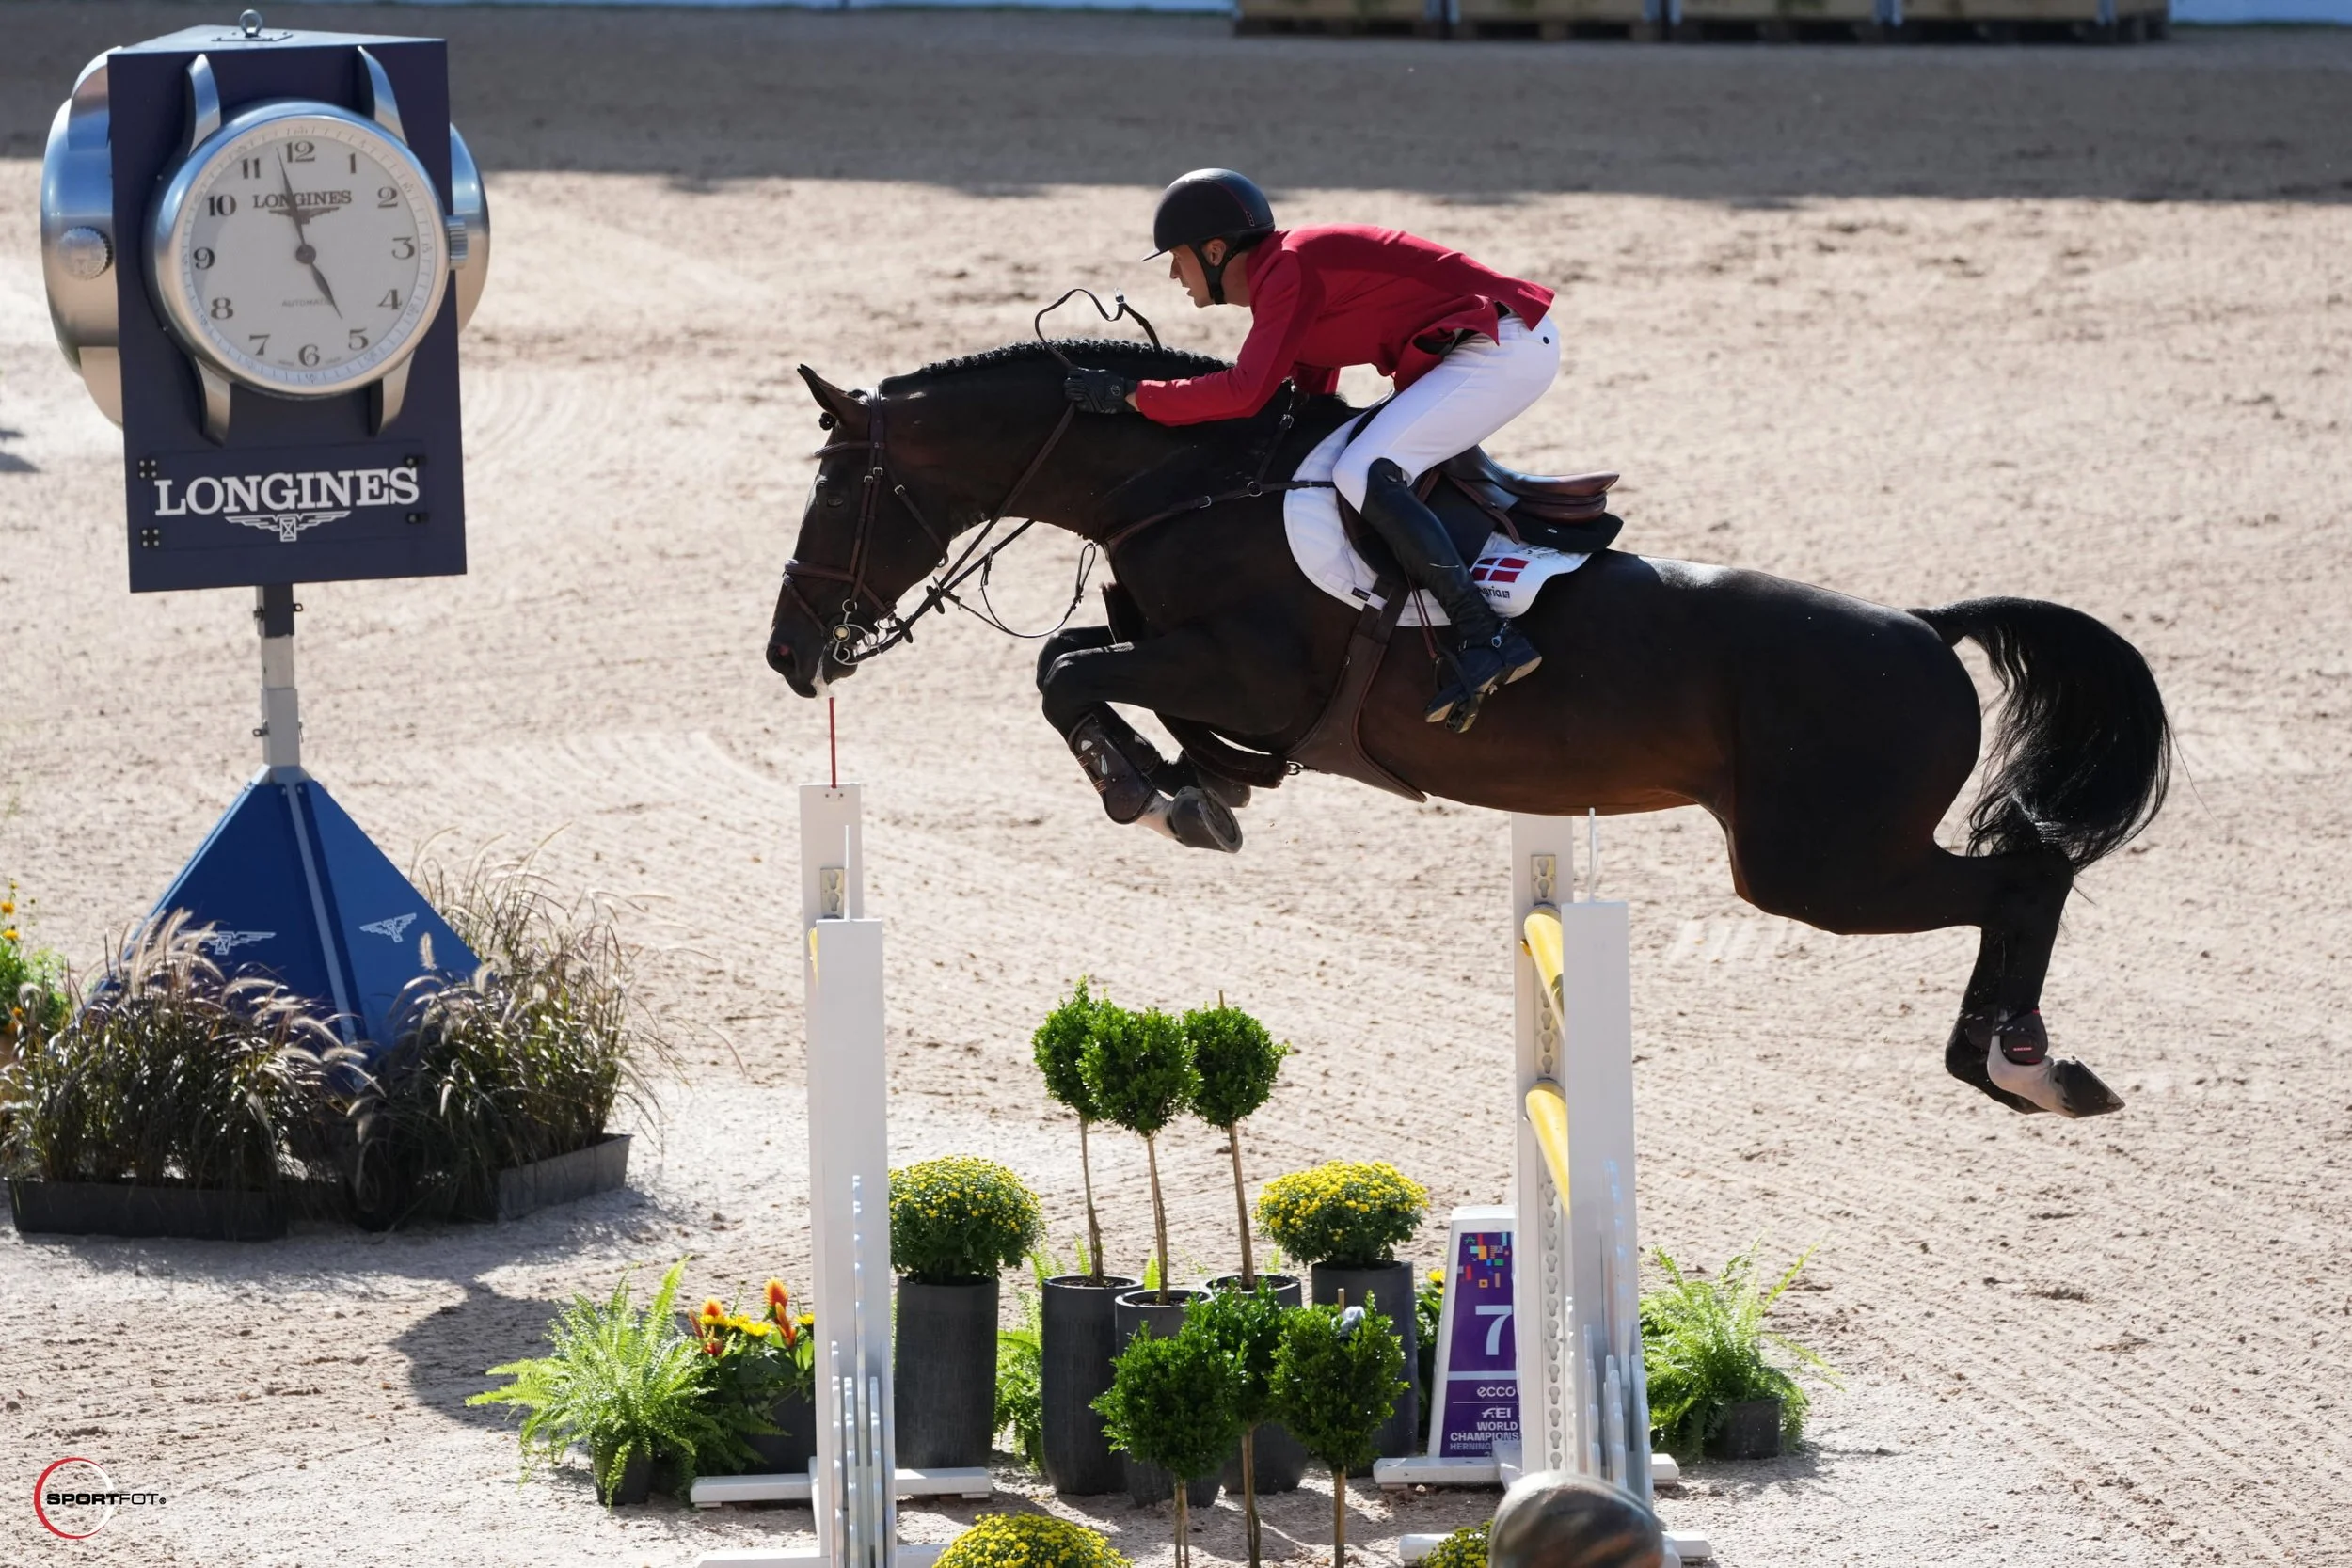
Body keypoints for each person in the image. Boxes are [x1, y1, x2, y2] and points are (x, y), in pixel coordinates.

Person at [1064, 168, 1562, 730]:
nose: (1175, 275)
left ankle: (1486, 634)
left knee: (1364, 468)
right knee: (1342, 462)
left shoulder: (1289, 268)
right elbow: (1307, 395)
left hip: (1504, 346)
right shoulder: (1284, 275)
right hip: (1486, 348)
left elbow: (1246, 390)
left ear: (1215, 250)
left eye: (1177, 258)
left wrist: (1133, 395)